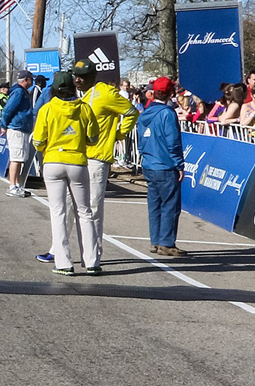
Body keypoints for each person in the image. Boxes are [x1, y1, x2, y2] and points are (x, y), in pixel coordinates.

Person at [32, 70, 99, 275]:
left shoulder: (47, 109)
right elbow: (93, 138)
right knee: (84, 212)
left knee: (58, 212)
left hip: (53, 161)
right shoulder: (84, 108)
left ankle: (63, 262)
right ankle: (92, 261)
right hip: (77, 161)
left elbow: (37, 141)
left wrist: (47, 146)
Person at [79, 62, 134, 258]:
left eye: (82, 76)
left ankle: (94, 253)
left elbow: (131, 112)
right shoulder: (79, 95)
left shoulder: (106, 93)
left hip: (98, 157)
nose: (78, 79)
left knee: (93, 206)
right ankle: (58, 250)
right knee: (70, 206)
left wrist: (118, 133)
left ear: (93, 76)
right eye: (76, 75)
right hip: (77, 156)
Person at [138, 77, 185, 256]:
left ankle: (155, 240)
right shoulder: (167, 113)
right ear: (169, 93)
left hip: (149, 163)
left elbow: (141, 140)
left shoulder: (145, 113)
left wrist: (144, 154)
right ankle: (166, 242)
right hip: (165, 165)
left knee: (154, 204)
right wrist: (179, 164)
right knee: (170, 206)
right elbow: (172, 141)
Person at [0, 71, 35, 195]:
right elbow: (7, 110)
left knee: (20, 158)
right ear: (26, 79)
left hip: (23, 128)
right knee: (15, 157)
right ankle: (12, 186)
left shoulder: (23, 92)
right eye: (31, 79)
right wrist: (3, 126)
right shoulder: (19, 92)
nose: (32, 81)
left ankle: (17, 184)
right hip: (16, 128)